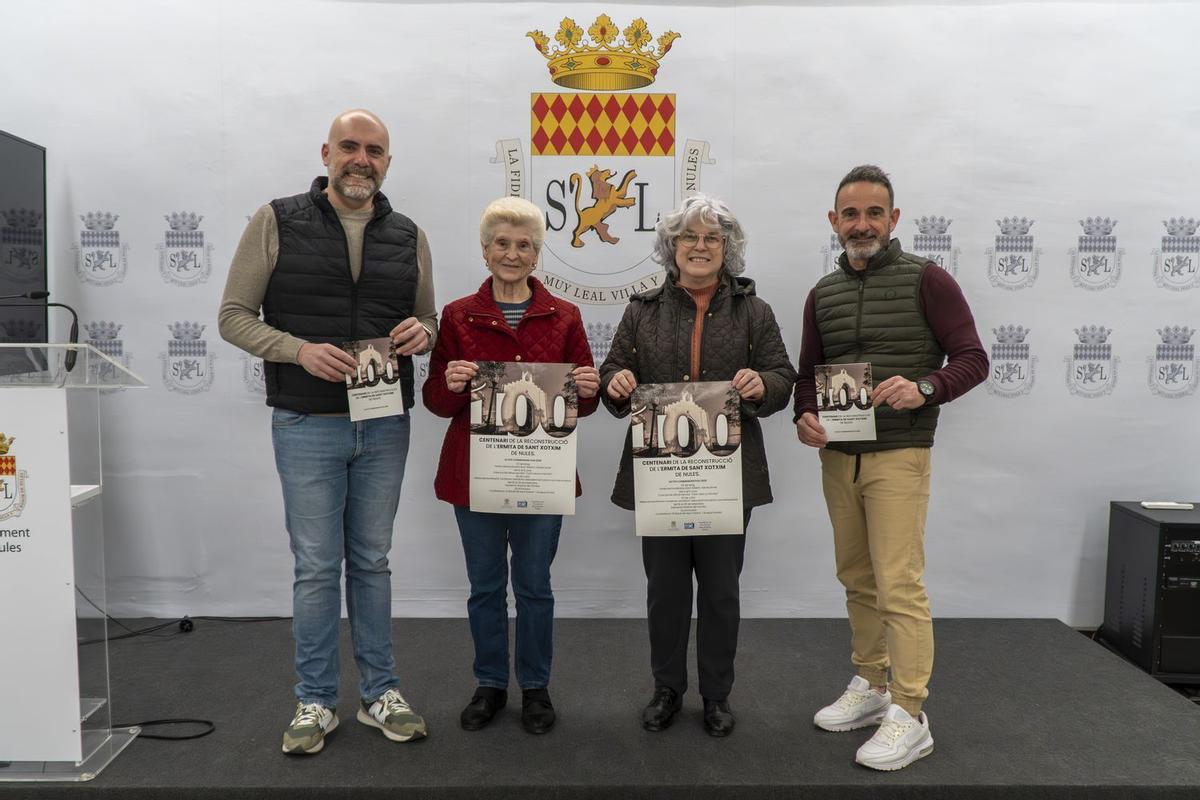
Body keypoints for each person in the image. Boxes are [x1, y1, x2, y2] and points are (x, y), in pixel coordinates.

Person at [218, 109, 436, 755]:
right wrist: (296, 350)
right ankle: (314, 702)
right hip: (307, 421)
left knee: (371, 563)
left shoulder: (408, 234)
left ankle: (380, 694)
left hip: (384, 421)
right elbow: (233, 316)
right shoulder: (275, 220)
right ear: (326, 153)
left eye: (374, 150)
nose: (360, 159)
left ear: (387, 162)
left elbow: (427, 319)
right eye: (349, 147)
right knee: (317, 569)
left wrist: (426, 333)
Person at [794, 165, 988, 771]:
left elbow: (975, 359)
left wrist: (927, 388)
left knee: (899, 583)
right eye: (850, 214)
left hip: (900, 453)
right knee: (857, 577)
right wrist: (803, 418)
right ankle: (872, 686)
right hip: (839, 457)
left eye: (874, 213)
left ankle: (910, 711)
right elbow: (807, 376)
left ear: (894, 219)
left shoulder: (928, 280)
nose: (862, 224)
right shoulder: (821, 293)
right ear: (834, 222)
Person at [599, 194, 797, 737]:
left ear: (728, 249)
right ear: (672, 247)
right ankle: (667, 688)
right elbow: (614, 374)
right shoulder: (641, 310)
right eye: (690, 236)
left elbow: (783, 376)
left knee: (720, 590)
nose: (701, 246)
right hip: (660, 474)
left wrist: (765, 385)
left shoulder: (754, 311)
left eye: (713, 237)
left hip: (727, 477)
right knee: (664, 590)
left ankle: (716, 694)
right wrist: (615, 383)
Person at [422, 197, 600, 735]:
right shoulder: (456, 315)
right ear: (485, 250)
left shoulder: (565, 315)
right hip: (474, 476)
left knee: (534, 587)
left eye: (524, 245)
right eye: (502, 243)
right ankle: (491, 684)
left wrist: (587, 390)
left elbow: (583, 402)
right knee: (483, 587)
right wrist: (450, 384)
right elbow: (434, 399)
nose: (512, 253)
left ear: (537, 254)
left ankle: (537, 688)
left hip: (541, 474)